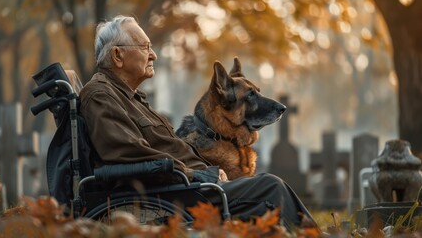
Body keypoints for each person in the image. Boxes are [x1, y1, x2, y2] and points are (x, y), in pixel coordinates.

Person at [80, 15, 317, 230]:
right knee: (270, 188)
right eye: (145, 47)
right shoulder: (101, 95)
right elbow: (126, 153)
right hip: (171, 193)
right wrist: (196, 175)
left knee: (270, 185)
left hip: (185, 188)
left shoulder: (131, 97)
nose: (153, 55)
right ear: (118, 55)